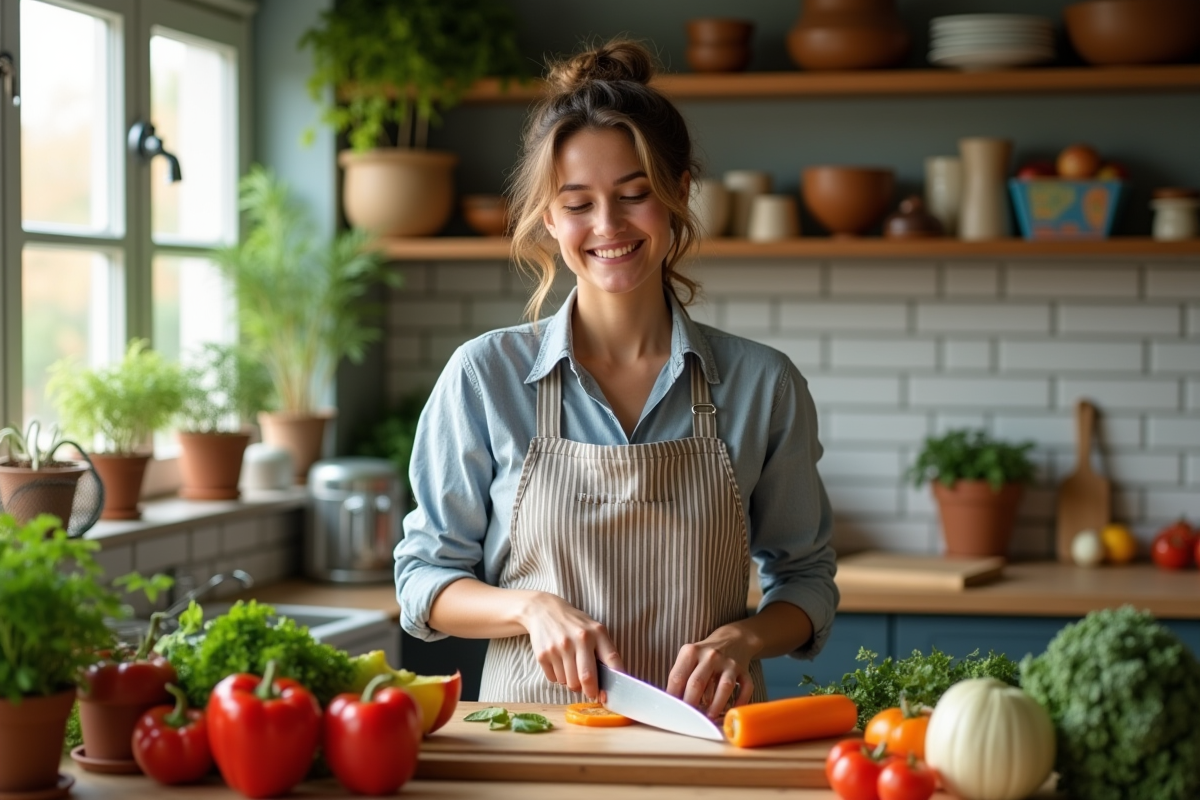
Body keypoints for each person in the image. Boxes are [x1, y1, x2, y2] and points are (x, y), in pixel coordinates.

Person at [394, 39, 837, 716]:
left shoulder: (762, 385)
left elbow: (806, 583)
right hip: (532, 746)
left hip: (706, 747)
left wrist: (745, 639)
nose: (608, 226)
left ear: (679, 192)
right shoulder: (485, 377)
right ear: (548, 216)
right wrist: (530, 608)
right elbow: (424, 581)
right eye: (578, 204)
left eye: (635, 195)